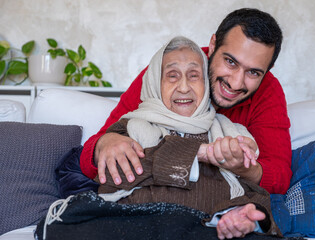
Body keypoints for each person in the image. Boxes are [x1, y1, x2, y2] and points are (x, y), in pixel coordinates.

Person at [80, 8, 292, 195]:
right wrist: (104, 144)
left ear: (267, 71)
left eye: (253, 72)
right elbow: (91, 154)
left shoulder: (268, 91)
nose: (236, 83)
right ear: (213, 45)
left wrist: (244, 168)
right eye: (230, 62)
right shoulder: (168, 70)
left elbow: (280, 176)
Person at [95, 36, 282, 239]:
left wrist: (240, 215)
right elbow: (109, 183)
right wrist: (198, 153)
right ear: (154, 84)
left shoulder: (232, 134)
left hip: (210, 232)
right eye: (172, 76)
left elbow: (257, 193)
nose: (184, 87)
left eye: (194, 76)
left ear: (206, 84)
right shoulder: (128, 127)